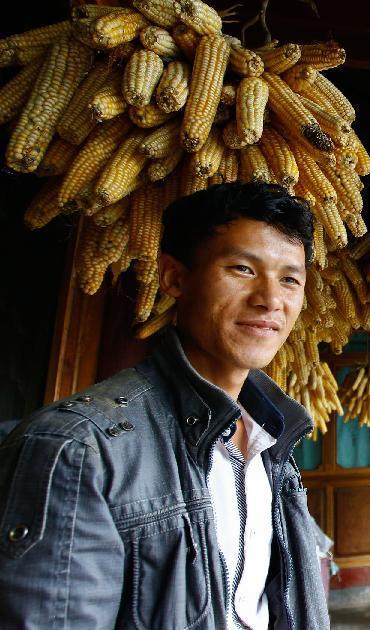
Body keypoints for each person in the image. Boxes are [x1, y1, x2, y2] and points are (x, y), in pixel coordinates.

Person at [0, 182, 329, 629]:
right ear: (174, 277)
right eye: (242, 269)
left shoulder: (272, 440)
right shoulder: (76, 451)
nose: (271, 299)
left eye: (290, 279)